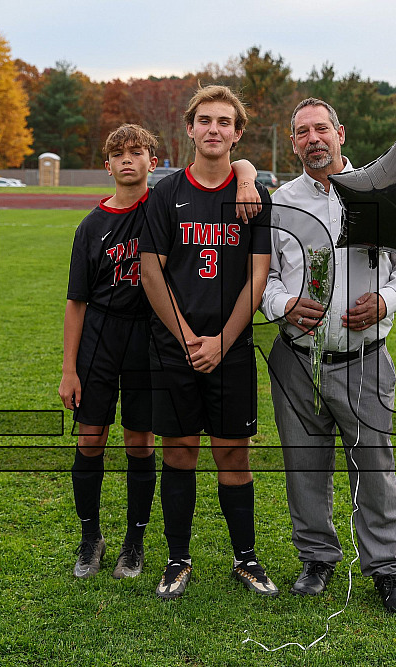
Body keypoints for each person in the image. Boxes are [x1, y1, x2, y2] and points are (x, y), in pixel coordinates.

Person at [60, 123, 261, 580]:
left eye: (137, 152)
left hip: (148, 336)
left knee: (139, 440)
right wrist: (69, 368)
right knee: (90, 438)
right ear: (106, 165)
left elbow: (231, 168)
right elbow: (76, 302)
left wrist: (246, 171)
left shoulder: (165, 201)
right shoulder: (91, 226)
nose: (127, 160)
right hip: (100, 337)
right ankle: (90, 537)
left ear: (154, 161)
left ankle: (135, 540)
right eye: (118, 154)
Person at [260, 98, 396, 613]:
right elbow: (261, 278)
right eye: (302, 132)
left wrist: (385, 300)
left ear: (340, 132)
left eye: (322, 129)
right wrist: (284, 304)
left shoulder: (382, 193)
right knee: (304, 465)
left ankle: (387, 569)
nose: (313, 138)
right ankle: (316, 558)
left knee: (374, 468)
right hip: (297, 358)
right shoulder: (279, 203)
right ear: (293, 143)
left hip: (364, 358)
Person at [140, 85, 277, 600]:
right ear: (190, 128)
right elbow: (152, 273)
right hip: (175, 348)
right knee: (178, 454)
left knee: (233, 457)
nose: (214, 129)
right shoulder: (165, 193)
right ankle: (178, 559)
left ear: (237, 134)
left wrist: (221, 340)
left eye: (225, 122)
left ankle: (246, 559)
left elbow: (258, 275)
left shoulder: (252, 195)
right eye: (205, 120)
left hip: (232, 348)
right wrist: (190, 337)